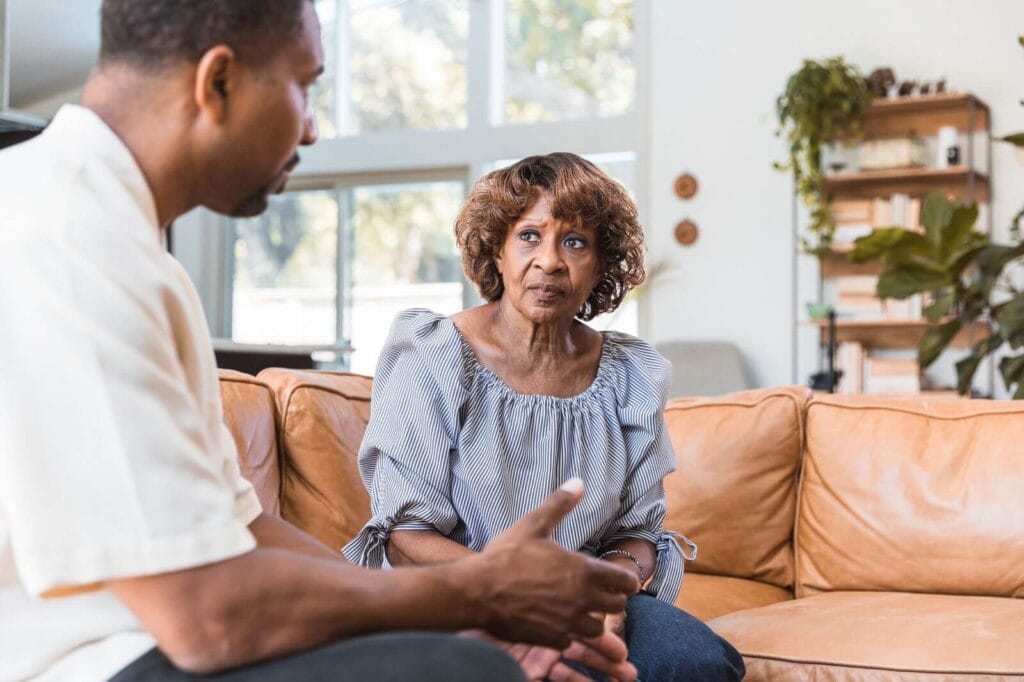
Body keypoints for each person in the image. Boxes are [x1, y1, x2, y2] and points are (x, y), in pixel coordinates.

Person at [0, 3, 642, 681]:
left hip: (150, 640)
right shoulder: (67, 238)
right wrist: (482, 592)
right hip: (79, 663)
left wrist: (466, 617)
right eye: (304, 84)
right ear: (217, 82)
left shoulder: (130, 246)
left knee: (471, 655)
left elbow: (245, 527)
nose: (311, 125)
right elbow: (204, 619)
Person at [343, 153, 747, 680]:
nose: (550, 261)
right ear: (499, 250)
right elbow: (406, 535)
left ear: (602, 264)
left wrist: (611, 590)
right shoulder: (434, 352)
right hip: (461, 591)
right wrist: (520, 589)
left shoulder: (631, 373)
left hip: (583, 594)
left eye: (575, 242)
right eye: (529, 236)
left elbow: (638, 534)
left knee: (695, 663)